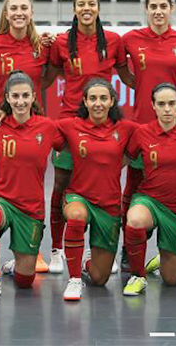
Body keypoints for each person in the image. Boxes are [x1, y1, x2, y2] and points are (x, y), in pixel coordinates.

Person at [43, 0, 134, 274]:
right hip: (70, 123)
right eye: (81, 3)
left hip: (104, 125)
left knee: (105, 183)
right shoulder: (60, 43)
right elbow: (46, 76)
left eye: (91, 3)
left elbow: (130, 77)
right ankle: (57, 249)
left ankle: (104, 246)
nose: (86, 8)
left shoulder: (114, 41)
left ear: (98, 7)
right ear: (74, 8)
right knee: (60, 185)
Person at [121, 0, 176, 272]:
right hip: (141, 126)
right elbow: (121, 70)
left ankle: (172, 248)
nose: (158, 11)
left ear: (171, 9)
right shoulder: (131, 39)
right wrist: (140, 87)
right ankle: (127, 249)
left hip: (173, 126)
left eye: (163, 6)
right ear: (146, 9)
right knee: (133, 187)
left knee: (173, 184)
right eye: (153, 6)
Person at [0, 0, 52, 272]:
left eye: (24, 8)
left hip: (32, 125)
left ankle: (34, 249)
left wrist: (33, 99)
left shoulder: (42, 45)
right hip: (0, 123)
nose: (19, 13)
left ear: (31, 13)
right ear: (6, 13)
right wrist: (0, 107)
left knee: (33, 183)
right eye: (14, 8)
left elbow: (52, 74)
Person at [0, 71, 64, 300]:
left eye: (25, 96)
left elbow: (66, 144)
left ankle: (14, 264)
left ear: (34, 97)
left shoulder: (47, 127)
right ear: (7, 98)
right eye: (15, 96)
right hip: (3, 200)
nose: (20, 101)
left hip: (32, 209)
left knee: (25, 281)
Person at [57, 78, 137, 301]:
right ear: (85, 101)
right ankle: (73, 280)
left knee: (99, 278)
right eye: (92, 98)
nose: (98, 103)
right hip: (78, 197)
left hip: (109, 205)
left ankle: (88, 264)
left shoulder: (126, 128)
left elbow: (156, 130)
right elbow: (36, 125)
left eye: (103, 98)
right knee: (76, 216)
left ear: (112, 101)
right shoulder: (70, 125)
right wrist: (1, 114)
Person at [122, 83, 176, 296]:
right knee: (135, 220)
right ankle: (138, 275)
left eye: (171, 104)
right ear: (153, 106)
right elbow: (122, 159)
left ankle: (161, 259)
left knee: (172, 279)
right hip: (149, 200)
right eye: (161, 104)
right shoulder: (142, 133)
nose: (167, 109)